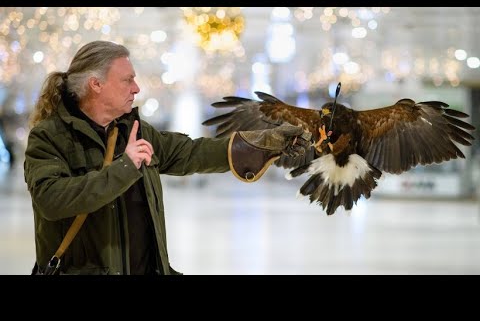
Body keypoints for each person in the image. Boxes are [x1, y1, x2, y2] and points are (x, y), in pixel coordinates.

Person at [24, 40, 310, 275]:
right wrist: (125, 166)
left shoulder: (132, 130)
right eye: (127, 80)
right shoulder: (49, 137)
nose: (136, 88)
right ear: (95, 84)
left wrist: (264, 145)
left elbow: (191, 152)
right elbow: (51, 200)